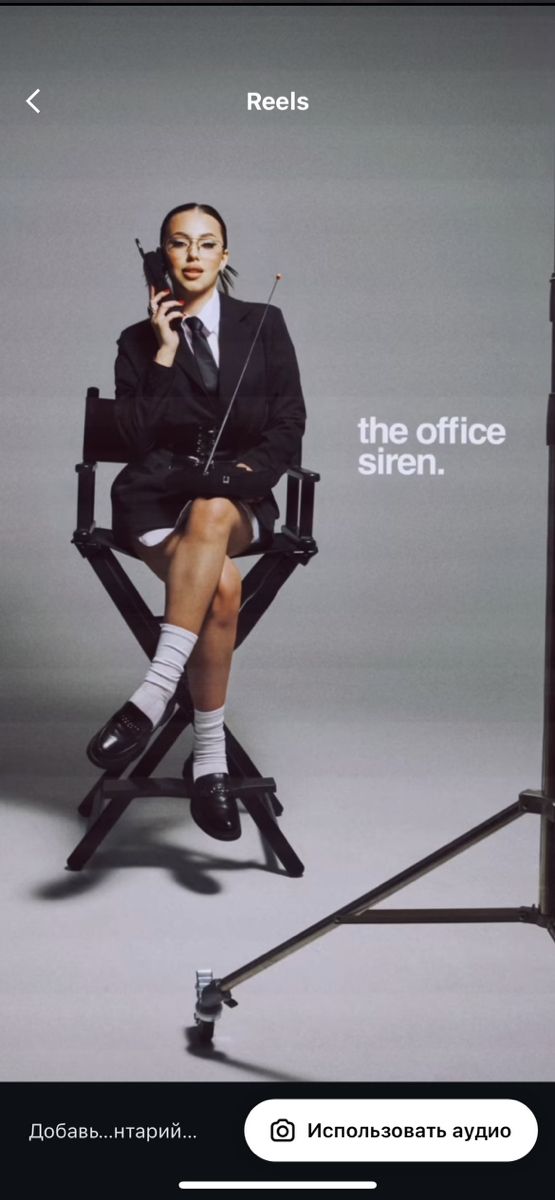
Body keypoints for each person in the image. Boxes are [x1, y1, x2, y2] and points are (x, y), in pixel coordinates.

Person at [86, 202, 306, 842]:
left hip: (237, 498)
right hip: (156, 499)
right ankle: (209, 759)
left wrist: (239, 480)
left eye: (206, 244)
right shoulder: (137, 340)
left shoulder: (265, 323)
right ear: (162, 258)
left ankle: (152, 694)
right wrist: (164, 350)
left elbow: (289, 422)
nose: (192, 255)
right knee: (226, 590)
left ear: (224, 256)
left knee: (214, 511)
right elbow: (132, 435)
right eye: (178, 245)